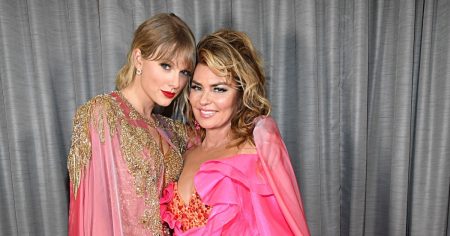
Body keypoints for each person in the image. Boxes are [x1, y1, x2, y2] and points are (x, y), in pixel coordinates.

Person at [160, 29, 310, 235]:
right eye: (197, 87)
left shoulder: (253, 161)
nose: (204, 100)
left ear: (241, 96)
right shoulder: (184, 150)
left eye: (219, 89)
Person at [67, 13, 196, 235]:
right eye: (166, 65)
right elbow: (93, 214)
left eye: (183, 72)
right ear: (138, 59)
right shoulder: (103, 114)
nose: (176, 82)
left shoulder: (175, 132)